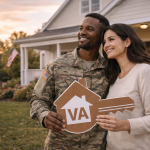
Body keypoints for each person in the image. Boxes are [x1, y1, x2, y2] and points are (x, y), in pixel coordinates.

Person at [30, 13, 110, 150]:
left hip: (96, 146)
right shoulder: (56, 65)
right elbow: (37, 99)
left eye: (90, 29)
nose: (82, 32)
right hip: (59, 145)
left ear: (103, 36)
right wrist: (44, 115)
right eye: (81, 28)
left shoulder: (110, 69)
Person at [96, 23, 150, 150]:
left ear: (127, 42)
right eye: (104, 41)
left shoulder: (144, 72)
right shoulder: (113, 77)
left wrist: (124, 125)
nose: (106, 45)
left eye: (111, 39)